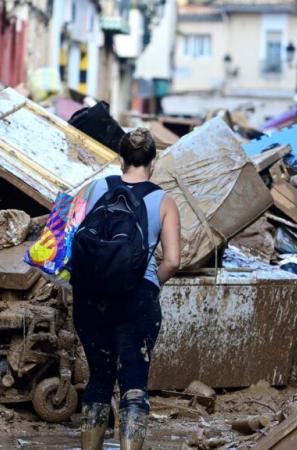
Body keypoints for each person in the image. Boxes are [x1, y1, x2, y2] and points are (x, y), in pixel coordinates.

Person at [73, 128, 181, 450]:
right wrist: (151, 283)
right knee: (133, 382)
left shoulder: (95, 188)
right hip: (136, 301)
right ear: (153, 160)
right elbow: (173, 261)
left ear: (121, 157)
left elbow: (67, 235)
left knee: (99, 379)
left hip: (89, 298)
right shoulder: (163, 200)